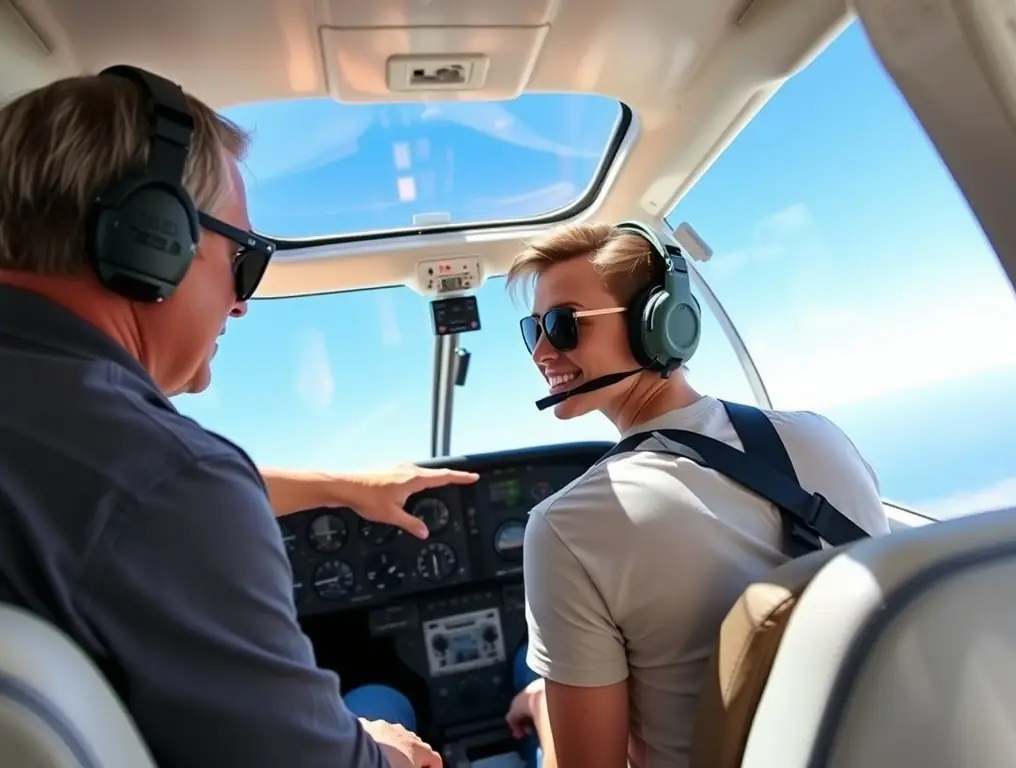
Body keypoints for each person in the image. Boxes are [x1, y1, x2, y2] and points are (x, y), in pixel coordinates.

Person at [0, 66, 469, 768]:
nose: (243, 301)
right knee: (386, 706)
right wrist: (391, 751)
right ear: (152, 237)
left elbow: (103, 498)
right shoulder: (169, 481)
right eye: (244, 259)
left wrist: (340, 488)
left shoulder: (64, 435)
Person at [501, 222, 892, 768]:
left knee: (529, 670)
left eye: (563, 324)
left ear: (657, 325)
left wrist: (542, 711)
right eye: (532, 329)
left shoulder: (565, 528)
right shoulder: (820, 434)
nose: (541, 351)